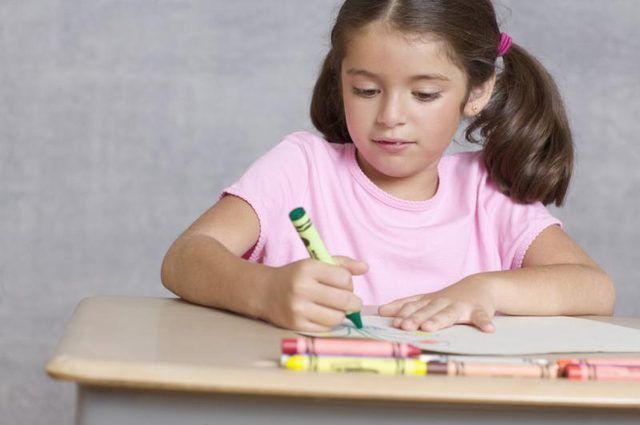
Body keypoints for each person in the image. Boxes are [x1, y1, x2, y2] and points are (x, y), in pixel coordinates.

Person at [161, 0, 614, 333]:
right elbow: (185, 258)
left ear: (476, 92)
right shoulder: (300, 167)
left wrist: (486, 290)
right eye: (365, 90)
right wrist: (263, 292)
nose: (390, 116)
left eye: (424, 94)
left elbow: (594, 289)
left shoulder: (486, 192)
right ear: (340, 80)